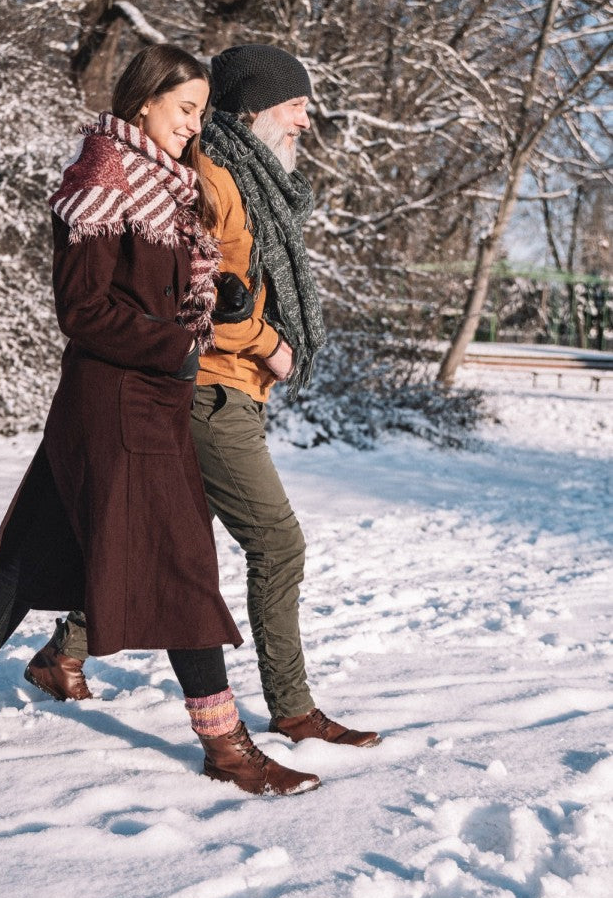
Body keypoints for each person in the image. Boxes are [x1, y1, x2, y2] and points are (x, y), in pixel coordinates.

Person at [0, 44, 321, 796]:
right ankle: (227, 745)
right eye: (185, 108)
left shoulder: (169, 185)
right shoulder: (103, 176)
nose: (194, 124)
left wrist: (217, 301)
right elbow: (84, 308)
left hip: (138, 399)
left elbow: (155, 285)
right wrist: (179, 344)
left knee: (33, 554)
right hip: (119, 404)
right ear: (143, 102)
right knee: (187, 567)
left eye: (200, 111)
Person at [26, 44, 381, 750]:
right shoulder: (212, 177)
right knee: (277, 544)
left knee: (159, 536)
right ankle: (290, 707)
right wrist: (265, 341)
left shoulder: (254, 181)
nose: (307, 122)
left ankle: (62, 650)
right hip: (209, 389)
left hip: (227, 391)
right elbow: (196, 295)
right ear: (255, 109)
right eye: (296, 107)